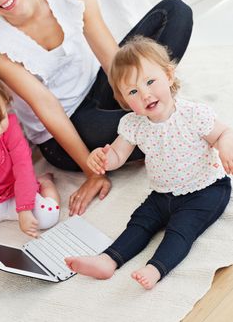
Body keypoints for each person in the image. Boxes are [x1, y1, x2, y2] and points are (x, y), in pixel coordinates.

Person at [0, 0, 193, 216]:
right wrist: (91, 170)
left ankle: (155, 113)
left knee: (174, 12)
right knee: (153, 127)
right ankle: (162, 117)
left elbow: (112, 62)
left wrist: (134, 96)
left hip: (98, 85)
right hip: (66, 128)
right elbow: (44, 103)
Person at [65, 36, 233, 290]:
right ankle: (108, 260)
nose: (144, 94)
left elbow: (222, 133)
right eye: (132, 91)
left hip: (205, 189)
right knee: (139, 222)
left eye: (150, 82)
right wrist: (101, 158)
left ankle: (156, 267)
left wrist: (225, 149)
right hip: (162, 193)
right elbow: (118, 156)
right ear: (124, 99)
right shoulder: (134, 124)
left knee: (181, 230)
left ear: (169, 75)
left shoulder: (192, 114)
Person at [0, 72, 60, 238]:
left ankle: (45, 183)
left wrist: (24, 209)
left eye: (1, 117)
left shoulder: (10, 128)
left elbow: (23, 166)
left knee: (48, 217)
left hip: (16, 192)